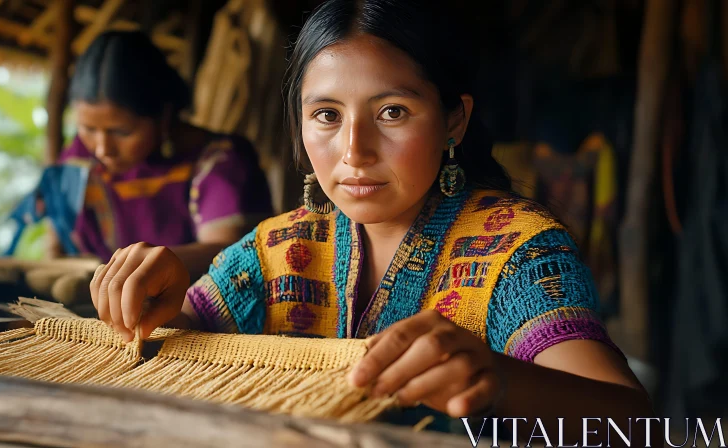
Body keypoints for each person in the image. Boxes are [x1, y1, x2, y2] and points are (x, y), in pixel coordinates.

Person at [89, 1, 654, 442]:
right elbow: (166, 344)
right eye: (327, 115)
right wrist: (150, 297)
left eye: (392, 112)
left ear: (453, 121)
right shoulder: (281, 247)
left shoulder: (518, 252)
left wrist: (499, 380)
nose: (353, 150)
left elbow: (634, 426)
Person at [8, 31, 273, 279]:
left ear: (164, 115)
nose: (102, 149)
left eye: (122, 132)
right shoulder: (80, 158)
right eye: (88, 129)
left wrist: (145, 265)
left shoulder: (219, 161)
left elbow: (229, 252)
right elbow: (56, 245)